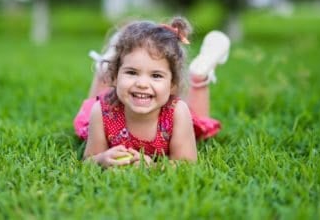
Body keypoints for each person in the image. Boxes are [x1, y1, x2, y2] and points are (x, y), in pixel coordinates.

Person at [73, 17, 230, 168]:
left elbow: (186, 163)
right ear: (115, 77)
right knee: (94, 103)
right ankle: (105, 66)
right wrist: (101, 159)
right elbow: (90, 159)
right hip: (111, 95)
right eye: (132, 72)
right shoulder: (101, 111)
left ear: (173, 85)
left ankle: (198, 77)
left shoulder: (177, 112)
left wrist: (153, 166)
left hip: (174, 116)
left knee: (198, 123)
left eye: (156, 76)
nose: (142, 84)